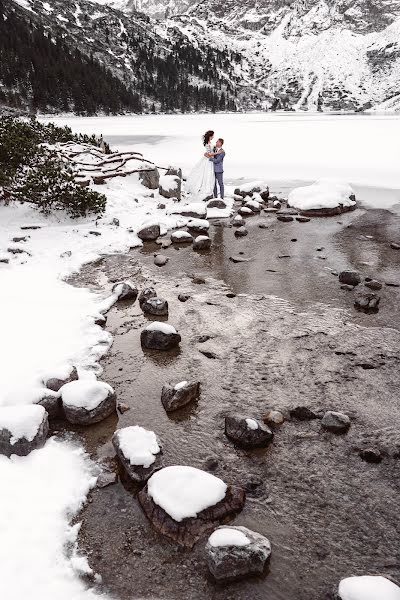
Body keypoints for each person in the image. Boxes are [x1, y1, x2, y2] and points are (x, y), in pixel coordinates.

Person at [185, 130, 216, 201]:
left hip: (210, 159)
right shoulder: (208, 143)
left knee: (207, 174)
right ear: (210, 136)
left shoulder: (208, 142)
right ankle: (205, 189)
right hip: (209, 160)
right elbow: (209, 154)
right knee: (206, 173)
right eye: (213, 135)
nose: (213, 137)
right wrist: (216, 153)